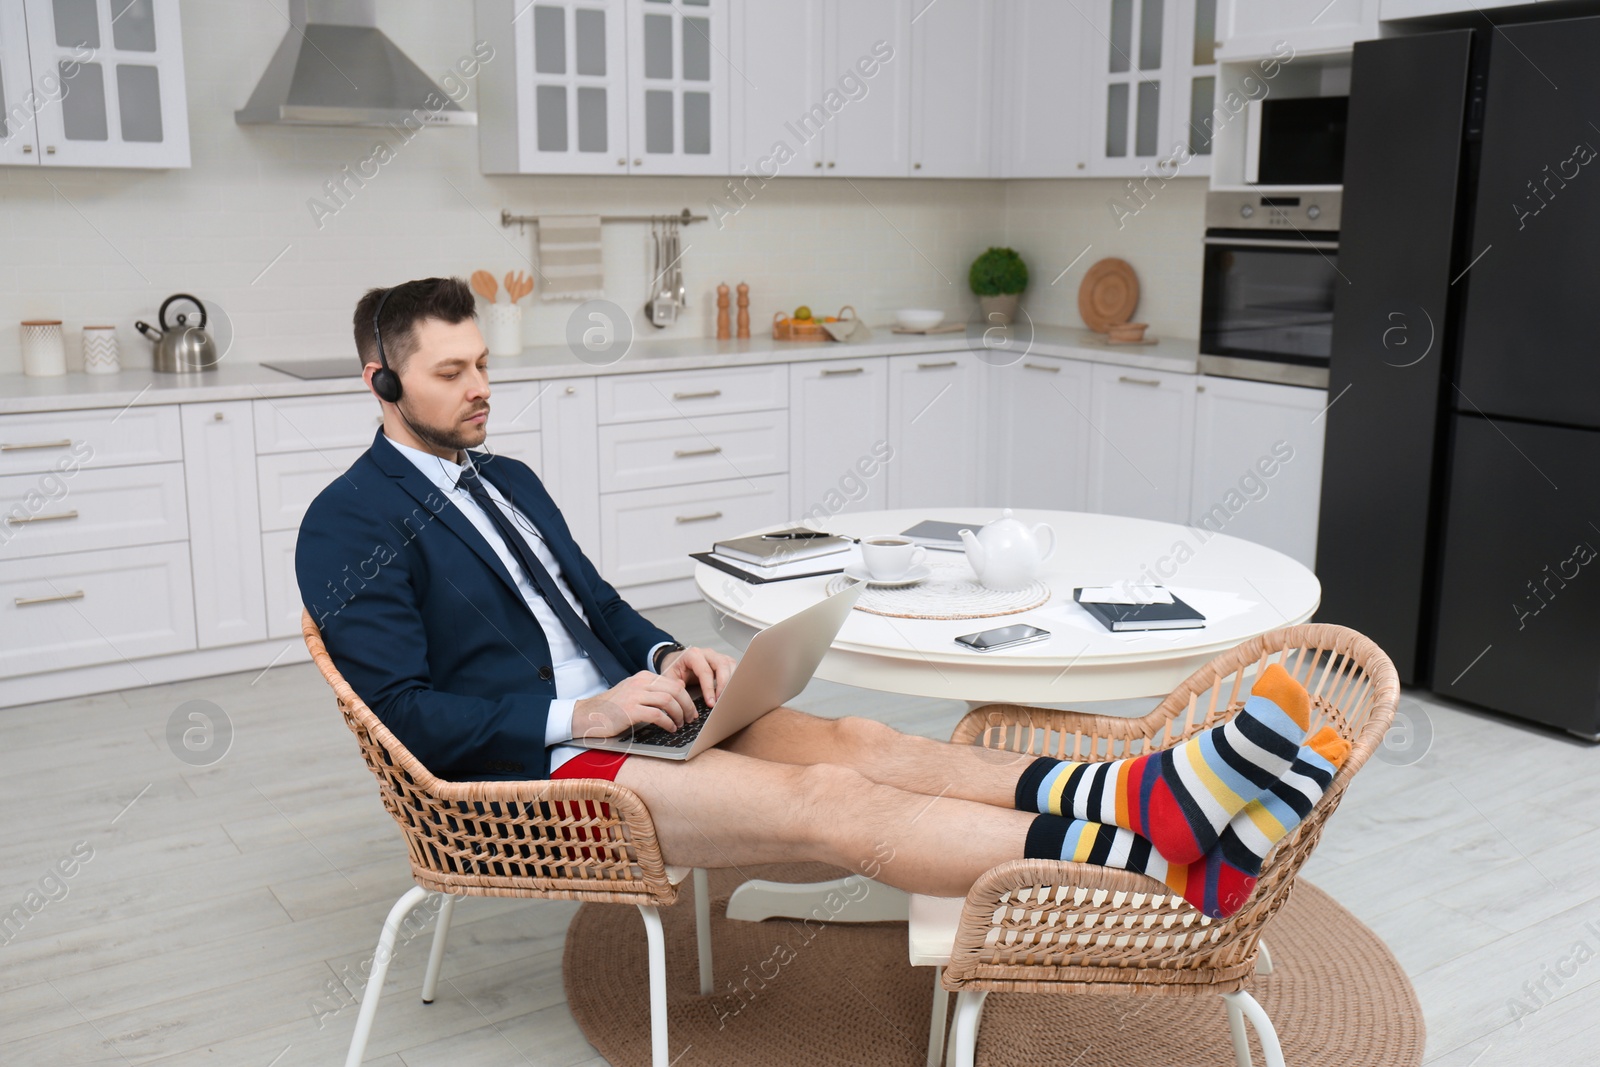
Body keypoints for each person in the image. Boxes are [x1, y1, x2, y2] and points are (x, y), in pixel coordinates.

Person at [296, 277, 1347, 917]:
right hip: (538, 776)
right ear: (379, 382)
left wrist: (664, 659)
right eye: (449, 373)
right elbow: (412, 715)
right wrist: (587, 712)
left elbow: (600, 608)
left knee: (867, 739)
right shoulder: (347, 521)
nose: (480, 387)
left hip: (640, 722)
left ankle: (1157, 792)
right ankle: (1166, 855)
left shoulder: (509, 480)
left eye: (481, 363)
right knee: (831, 804)